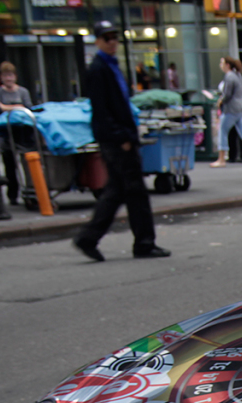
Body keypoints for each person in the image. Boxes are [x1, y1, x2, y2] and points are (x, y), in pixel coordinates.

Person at [73, 21, 170, 262]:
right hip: (117, 139)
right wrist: (121, 137)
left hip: (120, 136)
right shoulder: (99, 69)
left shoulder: (111, 66)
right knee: (133, 190)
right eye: (107, 38)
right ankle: (143, 243)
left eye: (115, 37)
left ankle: (90, 237)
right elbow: (101, 109)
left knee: (118, 190)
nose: (112, 41)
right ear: (97, 41)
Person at [0, 61, 32, 205]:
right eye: (5, 76)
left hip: (22, 133)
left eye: (10, 75)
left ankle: (31, 190)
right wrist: (16, 107)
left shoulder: (23, 91)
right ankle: (12, 195)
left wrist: (7, 107)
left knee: (28, 163)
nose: (8, 79)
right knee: (9, 166)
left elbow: (27, 108)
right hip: (5, 134)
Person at [211, 57, 242, 167]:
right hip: (240, 107)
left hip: (231, 109)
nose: (220, 65)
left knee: (223, 130)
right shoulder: (237, 75)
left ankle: (221, 159)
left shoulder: (229, 76)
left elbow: (227, 94)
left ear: (227, 65)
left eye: (222, 63)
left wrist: (220, 101)